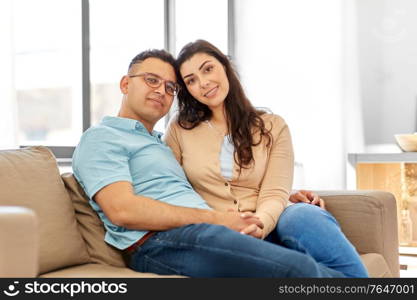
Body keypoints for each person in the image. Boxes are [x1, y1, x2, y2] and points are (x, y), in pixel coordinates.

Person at [72, 49, 348, 278]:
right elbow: (122, 210)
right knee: (297, 270)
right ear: (125, 84)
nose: (161, 91)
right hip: (160, 242)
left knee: (318, 254)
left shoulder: (158, 143)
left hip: (206, 231)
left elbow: (205, 182)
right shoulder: (102, 137)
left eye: (170, 87)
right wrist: (219, 220)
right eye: (151, 80)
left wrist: (282, 195)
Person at [164, 40, 368, 277]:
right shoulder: (179, 128)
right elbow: (174, 188)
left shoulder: (273, 126)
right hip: (222, 232)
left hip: (273, 219)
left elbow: (274, 193)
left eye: (208, 69)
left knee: (303, 215)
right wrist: (226, 224)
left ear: (225, 66)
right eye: (191, 80)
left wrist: (258, 226)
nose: (203, 83)